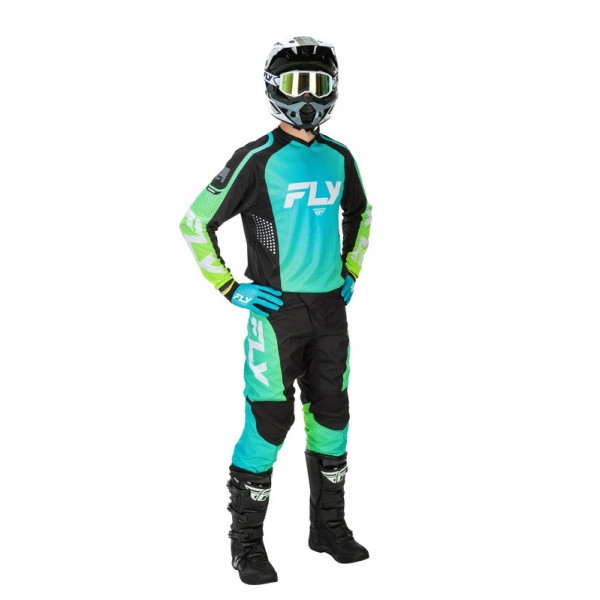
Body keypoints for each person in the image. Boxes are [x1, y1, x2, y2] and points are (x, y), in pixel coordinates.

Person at [179, 35, 373, 585]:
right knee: (268, 423)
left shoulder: (340, 157)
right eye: (295, 84)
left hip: (330, 315)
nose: (307, 97)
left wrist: (351, 272)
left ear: (334, 90)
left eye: (318, 85)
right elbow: (195, 221)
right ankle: (247, 545)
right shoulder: (256, 158)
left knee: (332, 417)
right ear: (273, 89)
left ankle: (328, 529)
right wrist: (229, 287)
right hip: (275, 317)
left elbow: (361, 213)